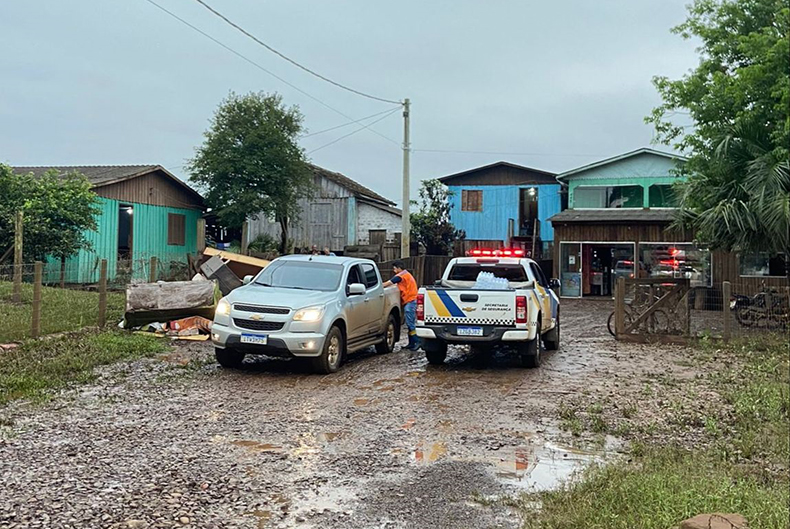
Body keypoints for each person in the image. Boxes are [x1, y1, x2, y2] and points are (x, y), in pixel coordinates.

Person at [383, 260, 420, 351]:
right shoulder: (406, 274)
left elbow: (388, 283)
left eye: (394, 268)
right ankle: (411, 343)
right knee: (409, 322)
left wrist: (378, 286)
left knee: (410, 323)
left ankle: (417, 341)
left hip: (410, 300)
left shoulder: (401, 276)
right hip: (411, 300)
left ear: (399, 268)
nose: (393, 270)